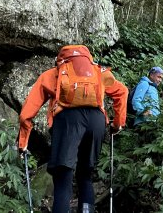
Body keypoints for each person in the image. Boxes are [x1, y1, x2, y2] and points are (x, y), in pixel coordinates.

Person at [17, 45, 128, 213]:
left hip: (67, 121)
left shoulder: (54, 74)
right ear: (88, 58)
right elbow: (122, 92)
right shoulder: (99, 72)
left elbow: (27, 113)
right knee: (85, 175)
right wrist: (117, 124)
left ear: (60, 59)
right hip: (96, 121)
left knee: (63, 177)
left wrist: (23, 141)